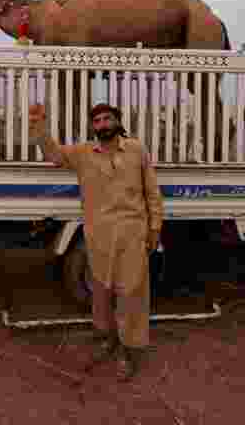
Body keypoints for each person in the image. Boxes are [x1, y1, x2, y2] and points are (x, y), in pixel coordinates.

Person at [28, 102, 163, 380]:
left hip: (132, 234)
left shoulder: (136, 150)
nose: (102, 124)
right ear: (93, 127)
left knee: (131, 295)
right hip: (98, 236)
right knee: (101, 292)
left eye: (107, 118)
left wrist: (154, 229)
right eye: (98, 120)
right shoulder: (83, 153)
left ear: (117, 122)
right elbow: (54, 156)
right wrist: (39, 126)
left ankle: (128, 350)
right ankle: (107, 339)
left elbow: (152, 192)